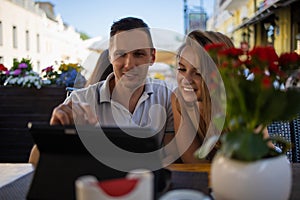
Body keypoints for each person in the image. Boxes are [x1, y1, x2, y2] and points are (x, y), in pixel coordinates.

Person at [29, 17, 174, 166]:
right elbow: (34, 162)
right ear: (110, 56)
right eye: (121, 54)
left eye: (138, 54)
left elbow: (172, 160)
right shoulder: (81, 100)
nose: (129, 64)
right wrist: (56, 132)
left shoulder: (167, 96)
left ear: (152, 57)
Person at [171, 30, 234, 163]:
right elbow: (193, 163)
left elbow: (260, 162)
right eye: (182, 69)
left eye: (198, 72)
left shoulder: (240, 104)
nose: (186, 79)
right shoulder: (179, 100)